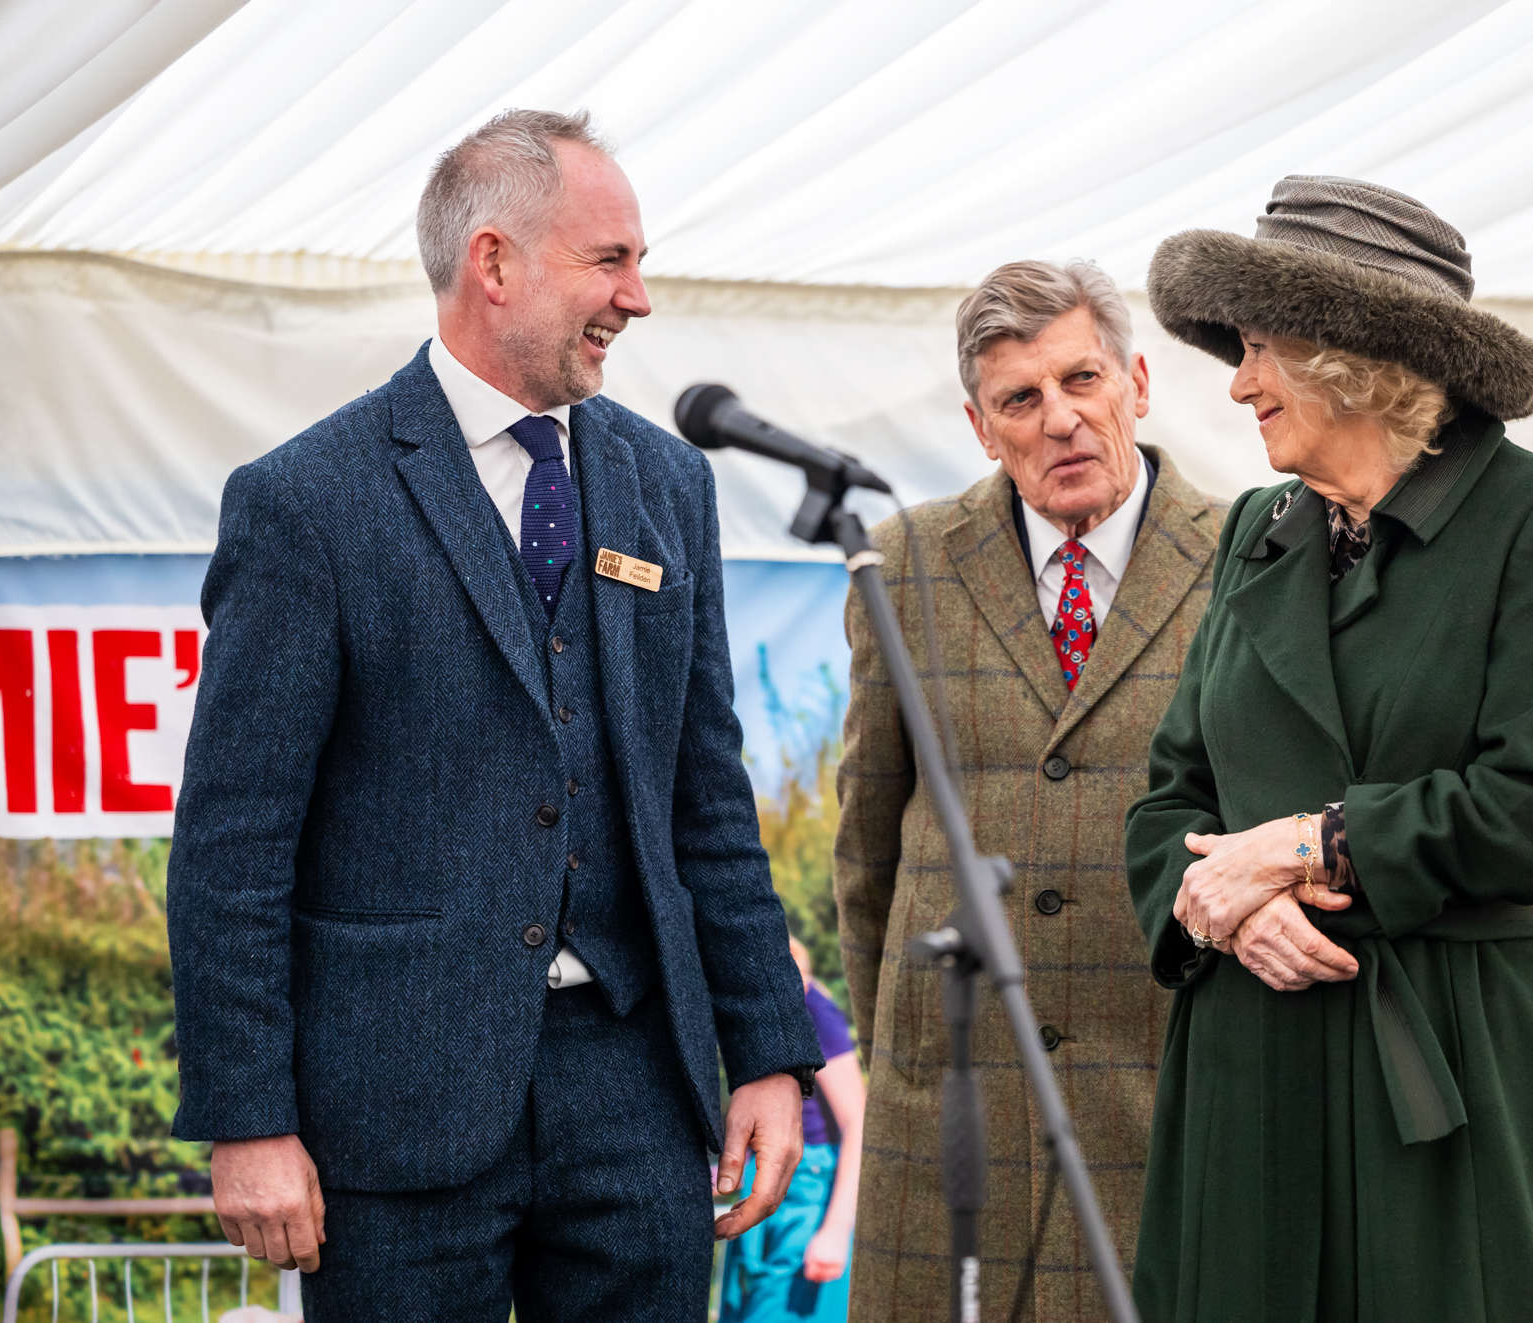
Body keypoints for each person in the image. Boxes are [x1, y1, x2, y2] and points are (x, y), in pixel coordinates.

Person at [164, 109, 823, 1321]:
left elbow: (707, 803)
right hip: (395, 1107)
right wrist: (247, 1120)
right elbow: (231, 846)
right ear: (495, 263)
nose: (638, 296)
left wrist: (771, 1056)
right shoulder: (308, 502)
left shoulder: (667, 483)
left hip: (635, 1091)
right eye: (611, 260)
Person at [1125, 175, 1533, 1322]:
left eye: (1258, 348)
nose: (1238, 382)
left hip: (1454, 1052)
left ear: (1351, 354)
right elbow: (1169, 801)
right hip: (1253, 1052)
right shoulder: (1257, 532)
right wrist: (1233, 905)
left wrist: (1307, 847)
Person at [835, 259, 1227, 1320]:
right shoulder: (900, 564)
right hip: (949, 1124)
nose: (1058, 419)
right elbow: (866, 849)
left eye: (1080, 380)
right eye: (1020, 399)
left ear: (1137, 382)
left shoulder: (1250, 559)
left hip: (1164, 1103)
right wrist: (900, 1060)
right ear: (981, 426)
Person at [717, 936, 866, 1322]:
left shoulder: (813, 1010)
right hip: (762, 1185)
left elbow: (858, 1121)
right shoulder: (758, 1017)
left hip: (808, 1196)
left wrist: (836, 1229)